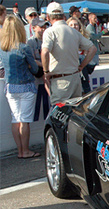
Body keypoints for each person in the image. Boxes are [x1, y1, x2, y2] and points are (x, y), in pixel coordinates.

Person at [0, 15, 40, 159]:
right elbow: (35, 69)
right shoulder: (24, 48)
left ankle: (20, 151)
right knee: (24, 121)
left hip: (10, 87)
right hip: (26, 86)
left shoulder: (2, 48)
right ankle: (26, 150)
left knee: (15, 119)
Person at [41, 2, 96, 106]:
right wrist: (81, 66)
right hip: (75, 78)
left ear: (48, 17)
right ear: (63, 16)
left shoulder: (50, 32)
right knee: (74, 114)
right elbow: (92, 48)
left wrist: (46, 72)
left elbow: (45, 52)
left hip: (60, 81)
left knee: (60, 113)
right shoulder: (74, 32)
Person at [27, 17, 50, 121]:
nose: (43, 29)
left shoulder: (48, 39)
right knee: (38, 104)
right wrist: (45, 66)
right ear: (34, 28)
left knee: (47, 102)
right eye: (41, 27)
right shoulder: (30, 42)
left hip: (48, 76)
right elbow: (32, 61)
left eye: (45, 26)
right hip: (37, 77)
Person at [84, 13, 103, 94]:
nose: (96, 20)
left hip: (95, 52)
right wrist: (103, 33)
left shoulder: (93, 27)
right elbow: (94, 37)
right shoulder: (89, 27)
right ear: (90, 18)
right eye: (94, 18)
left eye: (96, 18)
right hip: (92, 53)